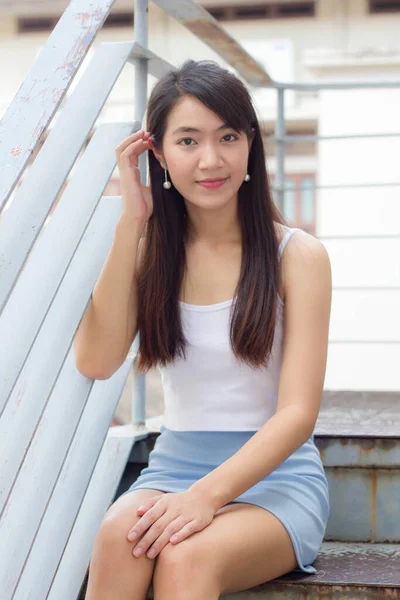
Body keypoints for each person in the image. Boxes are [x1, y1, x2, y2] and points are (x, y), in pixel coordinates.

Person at [74, 59, 332, 600]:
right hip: (173, 468)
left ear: (250, 147)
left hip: (276, 479)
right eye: (188, 141)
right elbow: (96, 362)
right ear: (159, 155)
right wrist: (131, 223)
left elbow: (297, 414)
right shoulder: (150, 254)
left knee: (185, 559)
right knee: (115, 539)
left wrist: (206, 497)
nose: (211, 160)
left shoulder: (298, 256)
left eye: (228, 137)